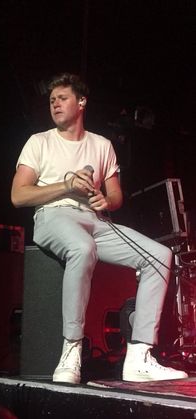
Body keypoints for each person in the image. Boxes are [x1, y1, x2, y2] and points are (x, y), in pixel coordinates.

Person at [11, 72, 188, 384]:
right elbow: (18, 195)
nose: (55, 104)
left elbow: (116, 195)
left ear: (81, 102)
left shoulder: (102, 145)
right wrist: (65, 185)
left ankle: (139, 355)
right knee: (82, 247)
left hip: (96, 221)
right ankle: (71, 349)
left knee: (159, 255)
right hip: (54, 216)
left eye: (62, 98)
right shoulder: (39, 142)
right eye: (52, 100)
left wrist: (106, 202)